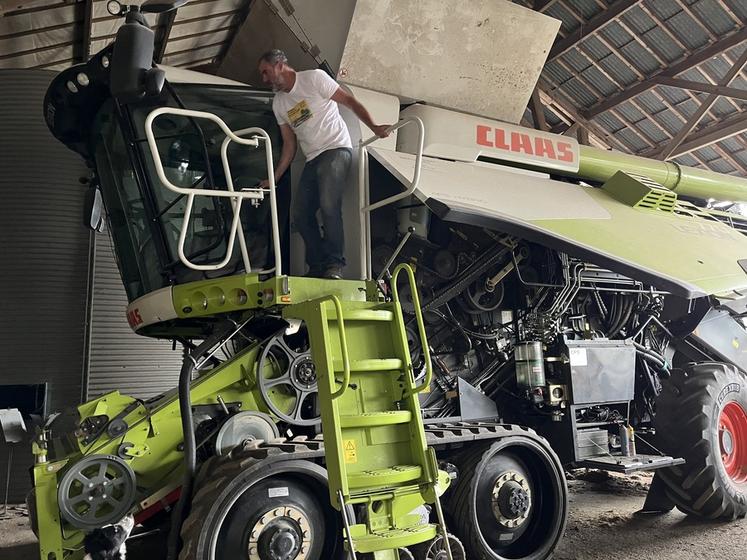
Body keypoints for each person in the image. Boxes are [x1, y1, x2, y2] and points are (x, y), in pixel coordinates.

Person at [258, 49, 390, 279]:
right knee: (300, 214)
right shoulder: (279, 103)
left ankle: (335, 264)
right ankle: (317, 265)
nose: (264, 79)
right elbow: (290, 145)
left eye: (266, 72)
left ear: (280, 65)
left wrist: (374, 126)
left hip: (336, 149)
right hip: (312, 158)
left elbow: (349, 101)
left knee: (329, 204)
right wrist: (274, 177)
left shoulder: (314, 78)